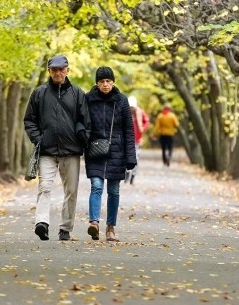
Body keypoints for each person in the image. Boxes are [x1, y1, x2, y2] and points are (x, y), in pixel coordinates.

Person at [23, 54, 90, 242]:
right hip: (46, 151)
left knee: (71, 191)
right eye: (54, 70)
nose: (58, 73)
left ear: (68, 70)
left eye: (61, 69)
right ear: (49, 71)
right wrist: (39, 139)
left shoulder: (78, 93)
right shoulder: (39, 93)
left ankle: (65, 228)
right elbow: (29, 120)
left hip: (71, 151)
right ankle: (41, 224)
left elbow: (85, 120)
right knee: (44, 187)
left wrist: (82, 135)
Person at [84, 66, 136, 242]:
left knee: (113, 191)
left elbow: (129, 130)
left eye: (108, 81)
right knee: (96, 186)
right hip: (95, 150)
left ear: (113, 82)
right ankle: (94, 223)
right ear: (97, 83)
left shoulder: (121, 100)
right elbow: (82, 124)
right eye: (101, 81)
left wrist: (131, 157)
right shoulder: (88, 99)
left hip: (117, 152)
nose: (105, 84)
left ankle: (110, 228)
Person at [125, 96, 150, 185]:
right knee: (126, 157)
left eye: (132, 107)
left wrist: (143, 128)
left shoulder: (140, 112)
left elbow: (147, 121)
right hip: (126, 138)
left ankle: (133, 176)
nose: (131, 108)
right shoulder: (124, 112)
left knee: (135, 158)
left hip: (136, 139)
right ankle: (127, 173)